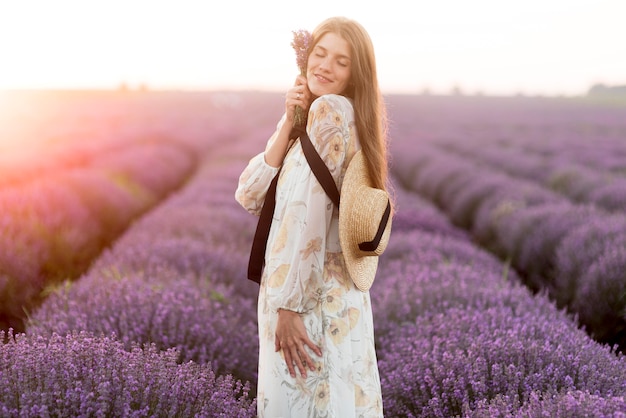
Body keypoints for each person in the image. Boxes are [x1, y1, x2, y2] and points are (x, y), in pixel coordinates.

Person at [235, 16, 390, 417]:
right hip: (335, 295)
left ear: (356, 73)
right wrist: (289, 120)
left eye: (341, 61)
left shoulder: (329, 113)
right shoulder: (320, 116)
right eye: (319, 54)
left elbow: (310, 218)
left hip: (307, 300)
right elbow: (250, 193)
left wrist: (289, 307)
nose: (325, 66)